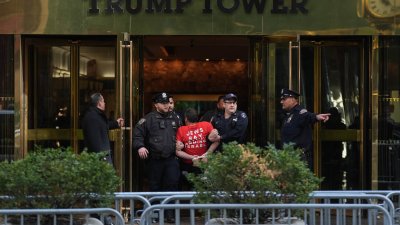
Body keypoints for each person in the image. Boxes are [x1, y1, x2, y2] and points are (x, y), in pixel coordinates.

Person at [133, 92, 181, 222]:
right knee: (155, 187)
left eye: (167, 102)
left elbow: (181, 134)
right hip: (155, 160)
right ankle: (154, 215)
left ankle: (169, 215)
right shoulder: (148, 119)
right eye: (163, 103)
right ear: (156, 105)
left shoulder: (175, 118)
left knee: (171, 186)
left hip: (171, 159)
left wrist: (181, 143)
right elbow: (137, 135)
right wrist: (140, 147)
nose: (166, 105)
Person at [279, 88, 330, 169]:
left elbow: (307, 116)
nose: (281, 102)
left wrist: (316, 116)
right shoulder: (288, 115)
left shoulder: (299, 112)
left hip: (299, 159)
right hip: (289, 158)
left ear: (292, 99)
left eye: (284, 99)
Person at [175, 108, 220, 188]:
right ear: (198, 118)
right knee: (202, 187)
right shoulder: (206, 125)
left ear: (185, 119)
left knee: (193, 187)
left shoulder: (181, 130)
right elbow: (217, 141)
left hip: (196, 163)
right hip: (196, 163)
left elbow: (177, 151)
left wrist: (196, 157)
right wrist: (206, 154)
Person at [81, 93, 124, 164]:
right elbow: (94, 141)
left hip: (101, 157)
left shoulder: (96, 115)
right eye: (103, 101)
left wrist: (116, 123)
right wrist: (102, 158)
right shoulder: (92, 117)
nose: (105, 103)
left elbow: (104, 125)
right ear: (99, 103)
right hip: (100, 159)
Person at [321, 107, 346, 190]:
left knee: (330, 178)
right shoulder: (338, 125)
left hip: (330, 154)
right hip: (330, 154)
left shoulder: (325, 125)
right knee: (334, 178)